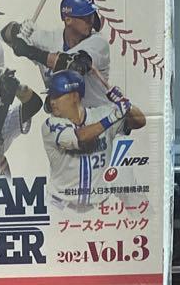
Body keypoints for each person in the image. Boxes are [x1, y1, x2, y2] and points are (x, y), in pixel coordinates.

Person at [40, 69, 145, 211]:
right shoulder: (50, 125)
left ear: (75, 96)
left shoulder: (101, 114)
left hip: (98, 209)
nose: (52, 102)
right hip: (60, 208)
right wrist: (112, 118)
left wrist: (126, 105)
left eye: (57, 96)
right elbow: (81, 138)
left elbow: (140, 122)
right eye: (51, 97)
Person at [1, 0, 111, 106]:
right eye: (86, 17)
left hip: (97, 113)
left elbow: (74, 65)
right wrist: (18, 29)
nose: (91, 21)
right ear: (68, 20)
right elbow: (4, 34)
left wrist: (29, 51)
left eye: (92, 15)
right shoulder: (49, 40)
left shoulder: (98, 43)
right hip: (63, 115)